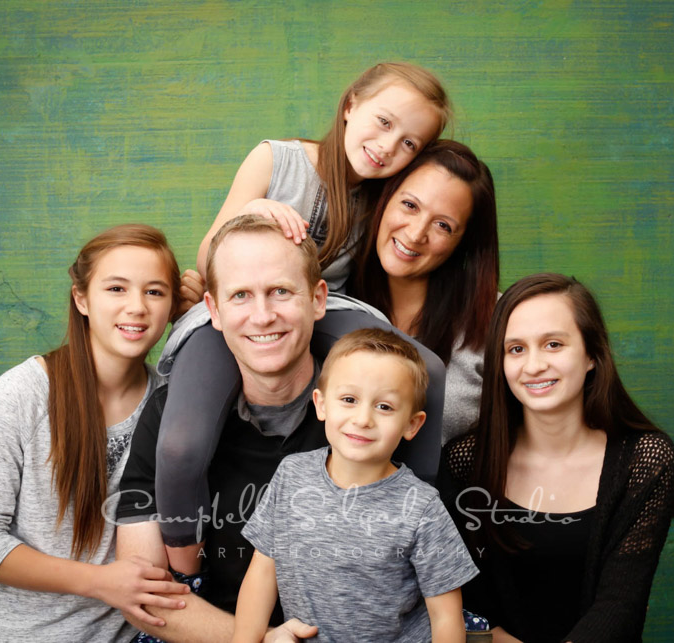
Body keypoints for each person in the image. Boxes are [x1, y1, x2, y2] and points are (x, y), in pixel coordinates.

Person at [157, 62, 453, 576]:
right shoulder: (279, 159)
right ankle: (187, 566)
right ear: (350, 105)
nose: (388, 146)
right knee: (182, 443)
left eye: (409, 143)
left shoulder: (381, 200)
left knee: (428, 369)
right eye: (383, 122)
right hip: (236, 307)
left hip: (322, 310)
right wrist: (255, 211)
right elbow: (208, 260)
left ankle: (413, 521)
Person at [116, 216, 399, 642]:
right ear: (214, 310)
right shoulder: (169, 415)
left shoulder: (372, 417)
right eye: (241, 296)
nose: (263, 316)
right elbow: (147, 599)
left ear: (318, 299)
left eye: (280, 291)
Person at [0, 224, 191, 642]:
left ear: (173, 307)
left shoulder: (174, 404)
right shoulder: (22, 393)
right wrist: (100, 581)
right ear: (81, 298)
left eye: (155, 292)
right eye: (116, 289)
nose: (136, 307)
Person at [437, 274, 674, 642]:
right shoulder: (464, 462)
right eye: (516, 349)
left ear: (591, 355)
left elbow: (620, 605)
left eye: (553, 344)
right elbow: (468, 601)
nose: (533, 365)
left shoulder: (645, 462)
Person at [234, 328, 478, 643]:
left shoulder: (421, 507)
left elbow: (445, 615)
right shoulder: (291, 476)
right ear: (321, 405)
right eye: (349, 399)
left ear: (411, 424)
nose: (363, 419)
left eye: (385, 407)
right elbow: (262, 573)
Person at [349, 139, 499, 444]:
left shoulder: (498, 323)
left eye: (443, 225)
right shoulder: (328, 302)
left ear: (464, 242)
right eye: (410, 205)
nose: (416, 234)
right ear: (385, 198)